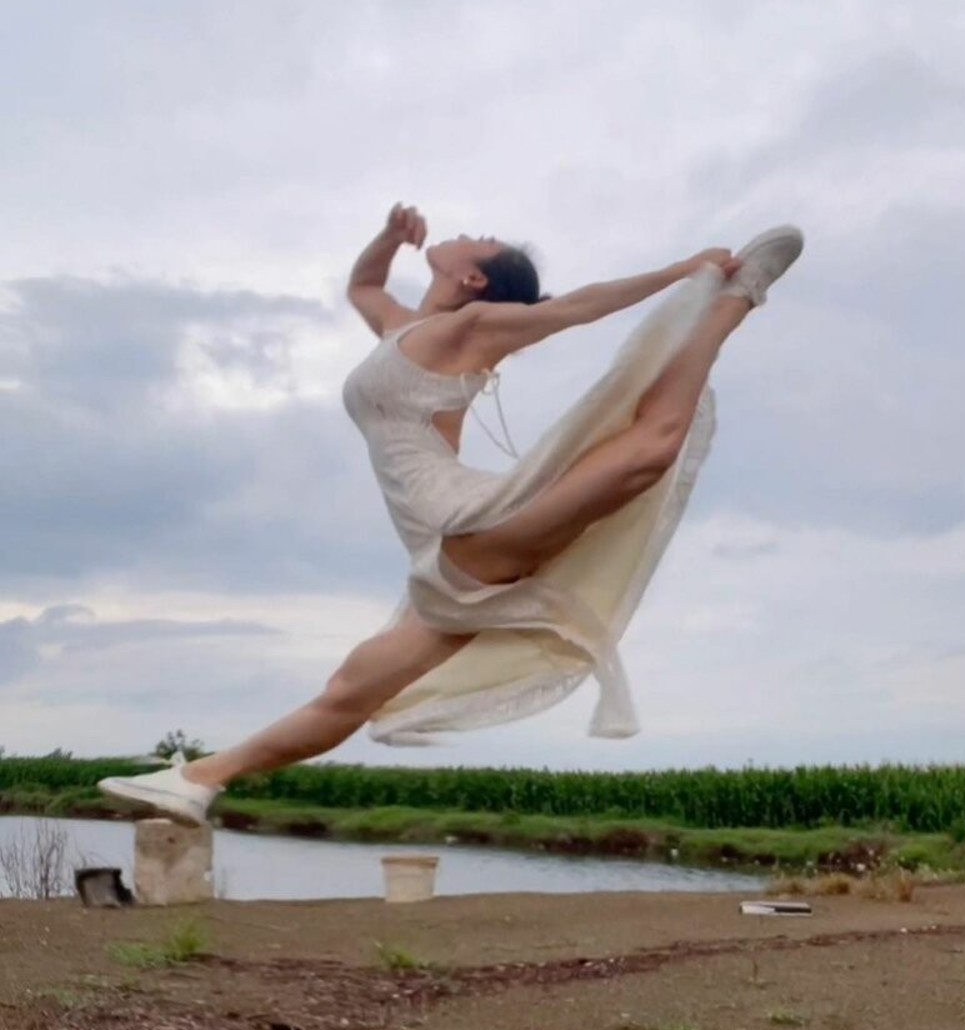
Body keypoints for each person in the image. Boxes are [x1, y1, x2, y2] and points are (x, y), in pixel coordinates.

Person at [99, 205, 803, 824]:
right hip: (439, 559)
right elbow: (362, 286)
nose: (471, 230)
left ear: (472, 278)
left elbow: (574, 309)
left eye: (482, 239)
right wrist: (388, 237)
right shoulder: (400, 329)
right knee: (347, 695)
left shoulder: (470, 328)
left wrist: (683, 271)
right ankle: (198, 780)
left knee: (645, 453)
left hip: (473, 521)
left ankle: (734, 299)